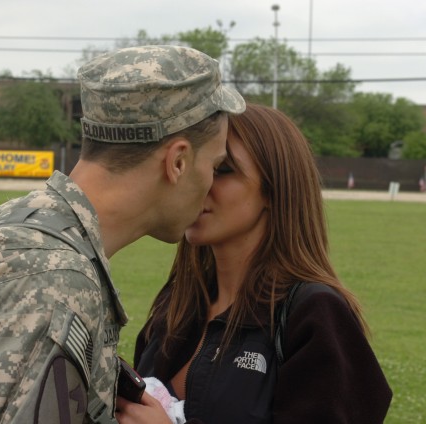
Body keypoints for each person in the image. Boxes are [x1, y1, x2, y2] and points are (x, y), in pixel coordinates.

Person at [0, 45, 245, 423]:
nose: (210, 185)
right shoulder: (47, 280)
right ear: (179, 161)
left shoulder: (26, 230)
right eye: (215, 165)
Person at [117, 103, 392, 423]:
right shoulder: (176, 302)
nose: (199, 184)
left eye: (222, 170)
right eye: (193, 167)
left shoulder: (315, 315)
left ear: (274, 190)